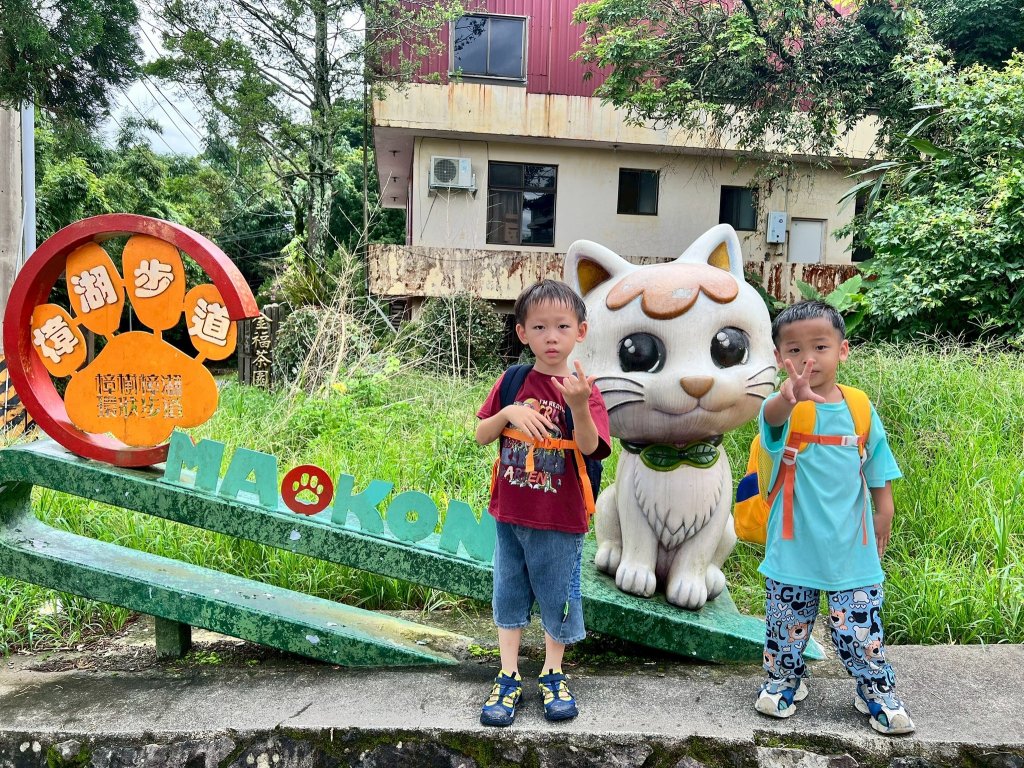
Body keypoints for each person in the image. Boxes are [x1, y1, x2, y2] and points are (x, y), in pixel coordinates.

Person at [754, 300, 914, 736]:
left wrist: (885, 511)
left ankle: (875, 690)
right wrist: (787, 400)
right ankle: (784, 681)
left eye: (820, 346)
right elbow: (768, 422)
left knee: (860, 631)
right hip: (793, 543)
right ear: (778, 358)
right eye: (794, 350)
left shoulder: (859, 407)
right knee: (786, 628)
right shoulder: (783, 406)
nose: (808, 359)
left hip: (852, 546)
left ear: (842, 350)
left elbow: (877, 463)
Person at [475, 279, 611, 727]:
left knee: (559, 594)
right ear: (522, 333)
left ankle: (554, 672)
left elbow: (591, 448)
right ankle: (508, 673)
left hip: (561, 518)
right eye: (539, 327)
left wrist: (578, 407)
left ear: (581, 331)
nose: (551, 337)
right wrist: (508, 413)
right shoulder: (512, 381)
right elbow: (481, 434)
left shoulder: (584, 389)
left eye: (562, 326)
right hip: (510, 513)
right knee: (508, 592)